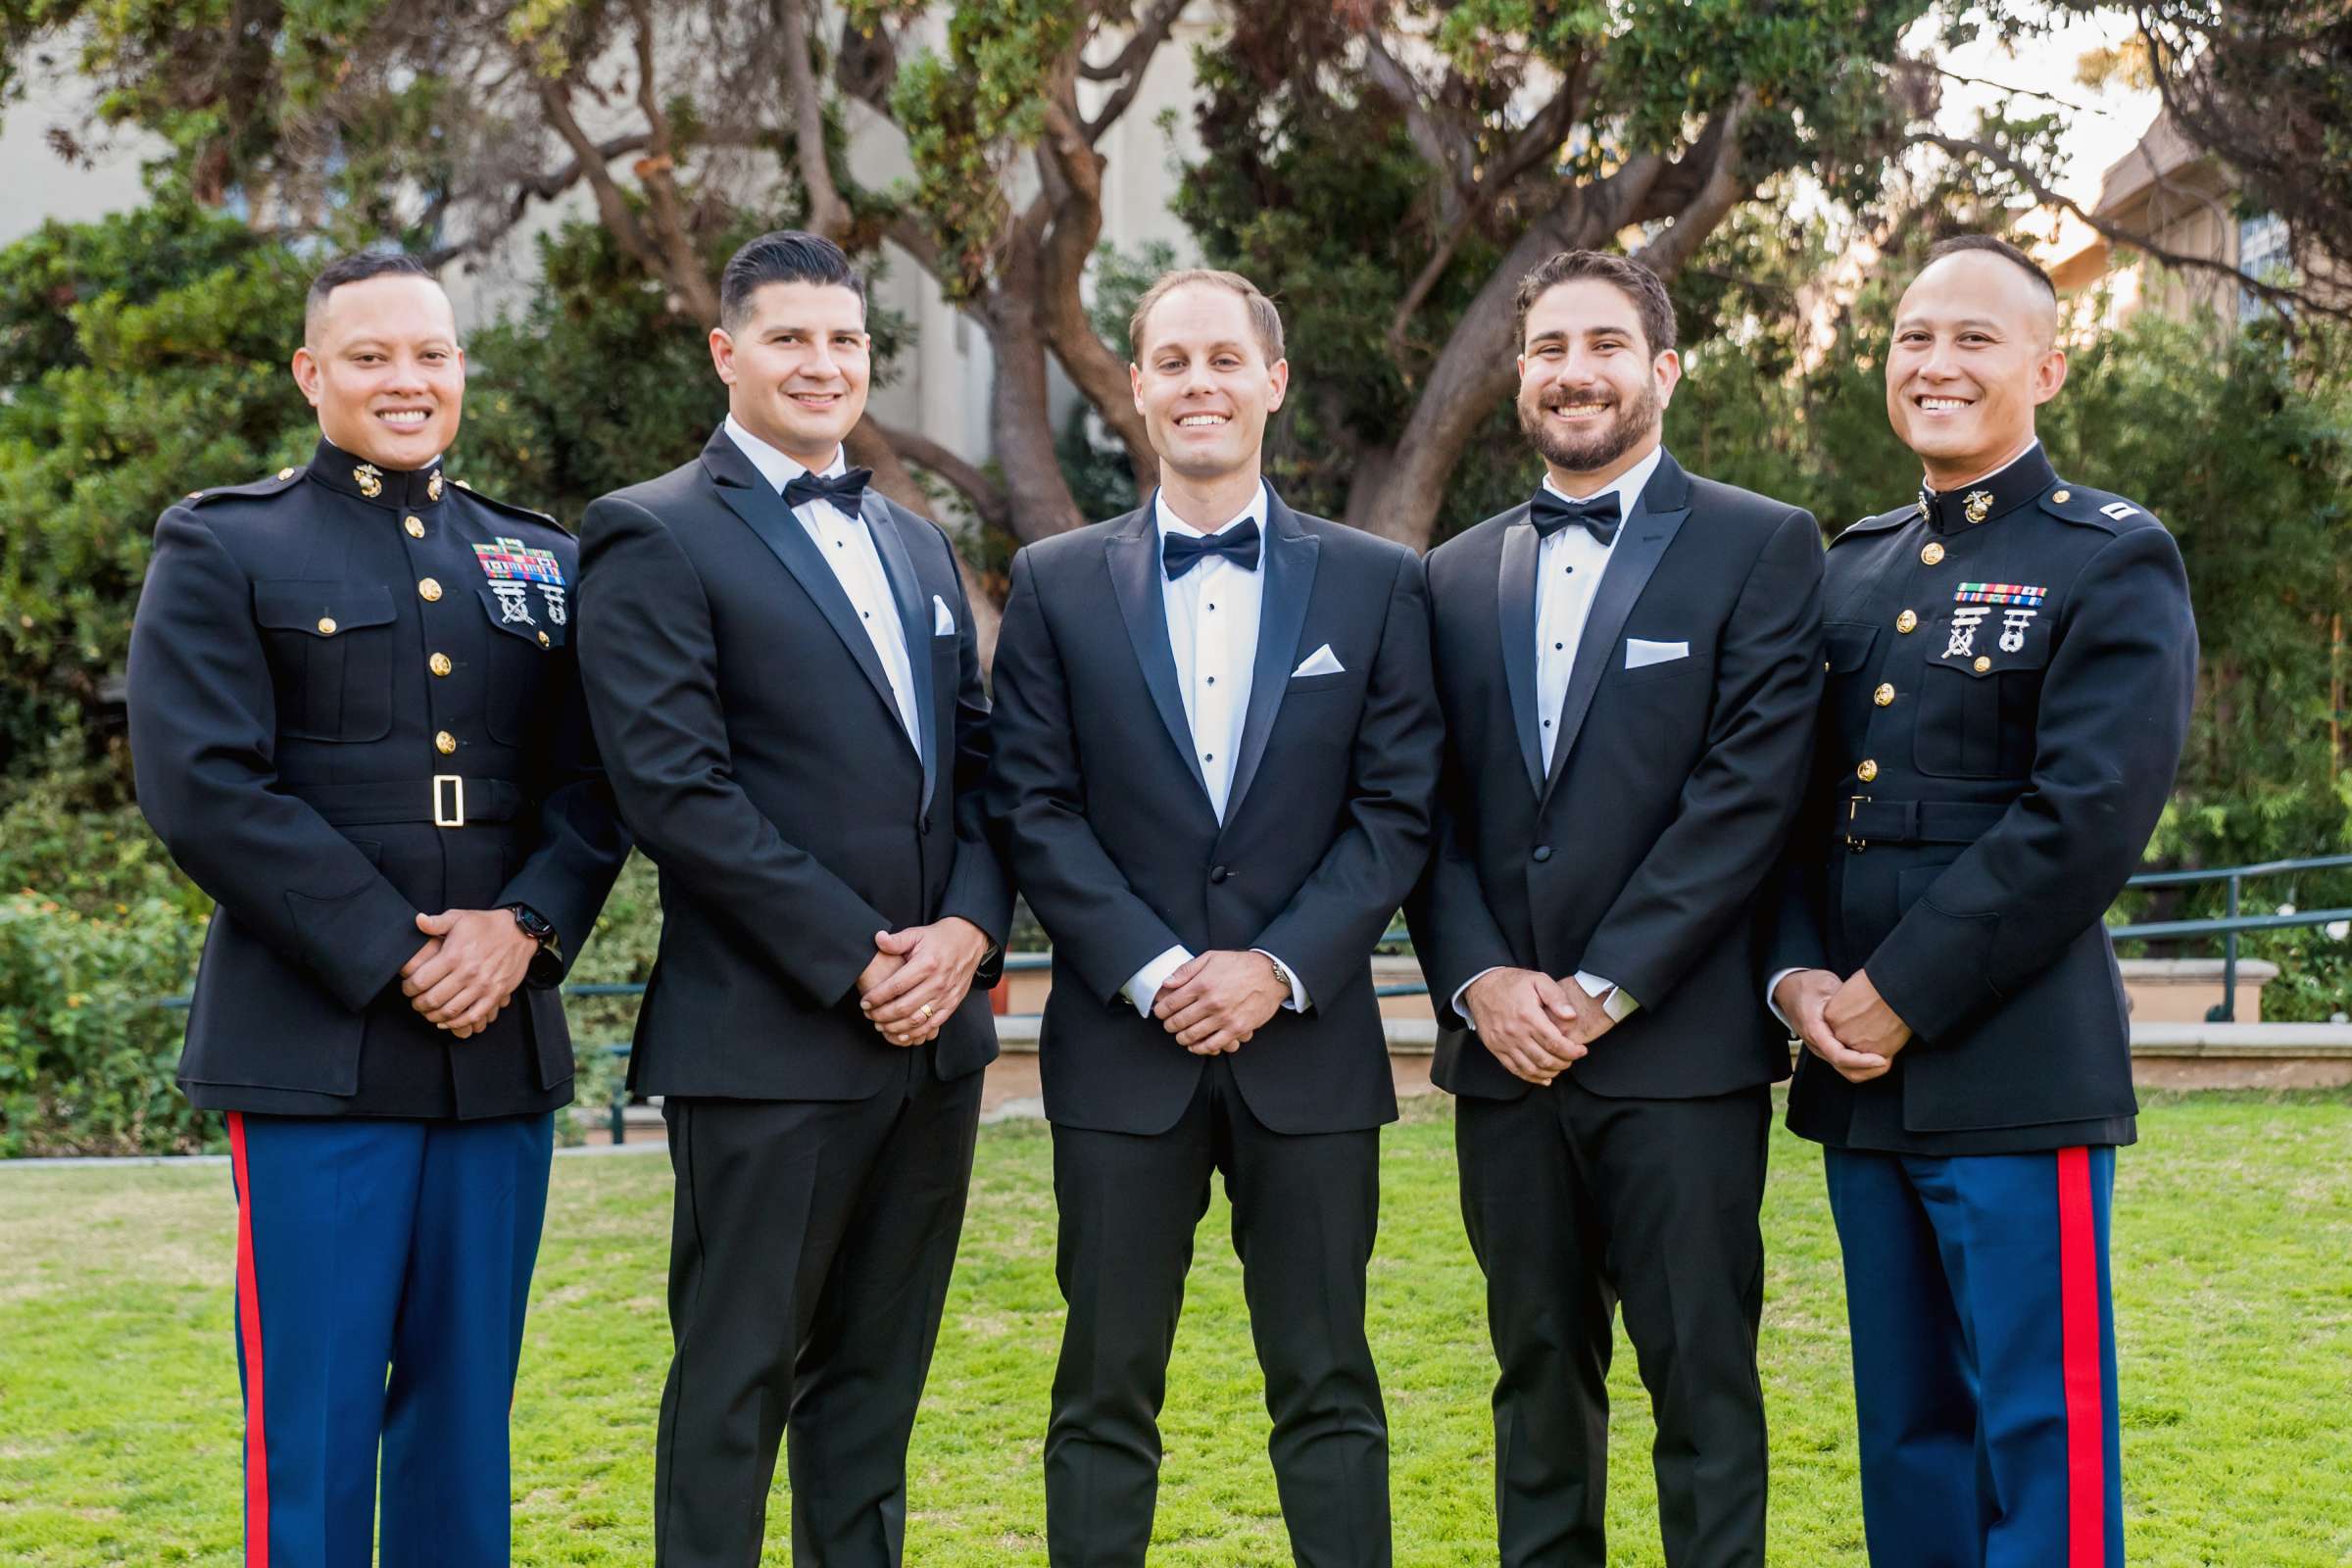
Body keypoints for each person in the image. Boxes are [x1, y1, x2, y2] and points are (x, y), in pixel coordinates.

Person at [124, 251, 630, 1566]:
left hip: (495, 1053)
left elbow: (599, 785)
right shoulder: (225, 543)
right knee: (316, 1423)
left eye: (433, 354)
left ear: (462, 369)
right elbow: (202, 788)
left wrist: (520, 930)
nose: (407, 380)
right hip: (317, 1052)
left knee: (467, 1425)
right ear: (311, 374)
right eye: (371, 356)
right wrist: (393, 950)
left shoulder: (543, 557)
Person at [988, 268, 1442, 1567]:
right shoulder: (1058, 583)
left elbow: (1397, 811)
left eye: (1224, 361)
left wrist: (1277, 968)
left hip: (1308, 1054)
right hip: (1123, 1057)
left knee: (1330, 1389)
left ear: (1272, 383)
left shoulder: (1375, 585)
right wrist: (1158, 967)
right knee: (1101, 1396)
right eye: (1172, 363)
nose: (1199, 385)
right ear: (1136, 388)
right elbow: (1034, 805)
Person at [573, 229, 1011, 1568]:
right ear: (726, 353)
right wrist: (859, 956)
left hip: (935, 1048)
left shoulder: (918, 546)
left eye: (844, 340)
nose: (822, 364)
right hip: (766, 1043)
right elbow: (675, 790)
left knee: (872, 1399)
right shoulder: (651, 531)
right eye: (789, 339)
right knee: (733, 1390)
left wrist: (971, 936)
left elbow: (984, 770)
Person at [1765, 233, 2196, 1568]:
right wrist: (1793, 978)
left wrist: (1896, 993)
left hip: (2015, 1067)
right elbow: (1787, 809)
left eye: (1974, 339)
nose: (1935, 362)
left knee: (2038, 1425)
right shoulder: (1853, 565)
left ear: (2047, 368)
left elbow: (2082, 822)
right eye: (1912, 337)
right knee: (1905, 1429)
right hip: (1856, 1072)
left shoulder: (2111, 557)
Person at [1407, 248, 1825, 1568]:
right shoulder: (1451, 574)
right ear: (1519, 375)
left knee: (1703, 1387)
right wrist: (1480, 981)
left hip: (1679, 1052)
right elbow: (1426, 810)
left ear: (1664, 369)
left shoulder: (1762, 545)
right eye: (1547, 349)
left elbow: (1747, 798)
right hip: (1503, 1058)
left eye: (1602, 344)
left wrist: (1598, 990)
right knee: (1534, 1382)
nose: (1573, 371)